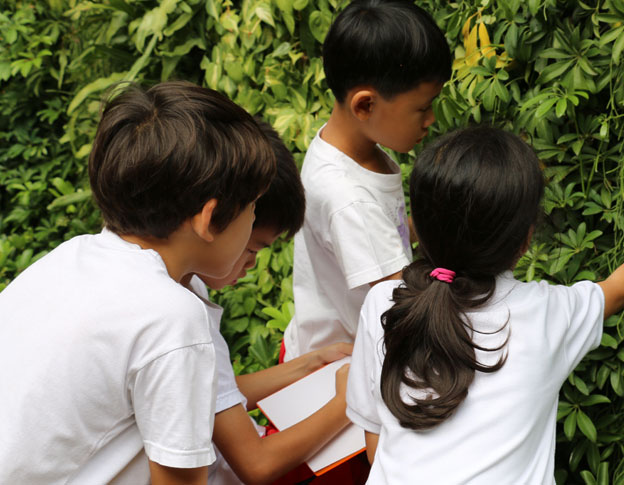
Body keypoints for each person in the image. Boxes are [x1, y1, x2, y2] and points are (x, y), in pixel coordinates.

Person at [345, 126, 624, 484]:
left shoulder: (385, 303)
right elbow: (617, 291)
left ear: (420, 228)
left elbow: (376, 449)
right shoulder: (547, 314)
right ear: (524, 242)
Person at [0, 81, 276, 484]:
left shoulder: (71, 256)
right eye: (252, 208)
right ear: (209, 218)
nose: (252, 221)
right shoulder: (171, 316)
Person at [182, 120, 355, 485]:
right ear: (211, 219)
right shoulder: (176, 320)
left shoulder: (187, 284)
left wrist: (308, 363)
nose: (252, 264)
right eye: (251, 247)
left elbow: (211, 396)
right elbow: (256, 465)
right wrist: (348, 402)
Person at [281, 0, 451, 362]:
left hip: (334, 333)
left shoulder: (352, 148)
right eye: (422, 107)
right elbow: (402, 303)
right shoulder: (349, 197)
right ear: (365, 106)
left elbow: (382, 235)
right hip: (343, 364)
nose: (431, 119)